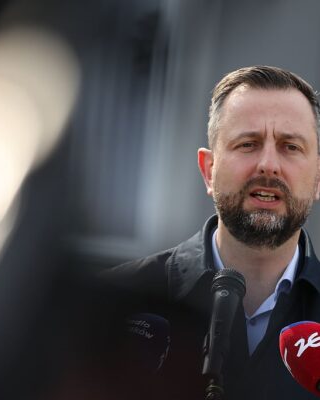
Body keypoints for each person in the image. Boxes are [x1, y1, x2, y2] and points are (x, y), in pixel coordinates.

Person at [97, 65, 320, 400]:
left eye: (290, 146)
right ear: (208, 170)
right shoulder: (111, 308)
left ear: (317, 178)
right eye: (248, 144)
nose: (268, 165)